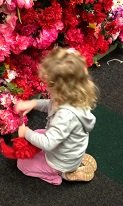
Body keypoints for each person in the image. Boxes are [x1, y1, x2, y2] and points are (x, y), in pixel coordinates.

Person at [15, 47, 99, 185]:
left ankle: (59, 175)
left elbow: (48, 143)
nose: (46, 86)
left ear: (59, 89)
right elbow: (51, 104)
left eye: (48, 84)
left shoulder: (65, 116)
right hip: (68, 150)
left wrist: (25, 132)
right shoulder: (74, 97)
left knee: (22, 164)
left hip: (59, 162)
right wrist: (34, 103)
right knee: (38, 134)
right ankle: (75, 161)